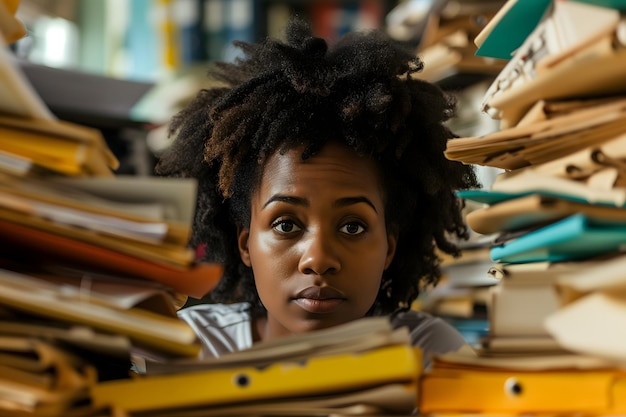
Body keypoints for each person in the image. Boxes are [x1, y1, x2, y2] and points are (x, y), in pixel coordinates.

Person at [155, 18, 480, 368]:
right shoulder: (192, 349)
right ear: (245, 243)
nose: (319, 259)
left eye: (352, 226)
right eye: (285, 225)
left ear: (390, 247)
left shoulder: (428, 354)